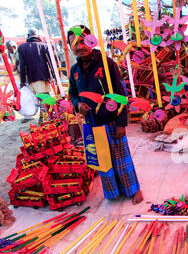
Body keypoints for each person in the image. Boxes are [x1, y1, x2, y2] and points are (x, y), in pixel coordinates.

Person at [67, 25, 143, 205]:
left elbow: (121, 94)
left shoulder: (107, 63)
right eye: (74, 43)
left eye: (83, 41)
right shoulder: (74, 71)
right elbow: (72, 94)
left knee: (121, 158)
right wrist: (78, 105)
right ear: (70, 46)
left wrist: (121, 123)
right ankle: (113, 192)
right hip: (91, 124)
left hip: (111, 120)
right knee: (103, 159)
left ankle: (133, 189)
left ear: (91, 41)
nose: (79, 46)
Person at [18, 29, 54, 124]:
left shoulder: (22, 47)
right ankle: (45, 118)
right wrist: (54, 76)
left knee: (42, 97)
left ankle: (46, 117)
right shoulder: (44, 46)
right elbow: (51, 63)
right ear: (37, 36)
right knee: (44, 97)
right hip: (43, 76)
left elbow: (22, 66)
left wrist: (22, 80)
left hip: (31, 78)